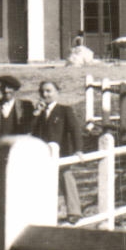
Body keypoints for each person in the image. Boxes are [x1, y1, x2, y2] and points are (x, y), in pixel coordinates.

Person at [30, 80, 86, 217]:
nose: (45, 94)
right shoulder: (38, 113)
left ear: (57, 92)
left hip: (61, 154)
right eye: (42, 91)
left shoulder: (64, 110)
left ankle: (74, 212)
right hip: (43, 154)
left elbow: (75, 130)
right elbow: (29, 130)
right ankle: (44, 213)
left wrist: (78, 149)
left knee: (66, 179)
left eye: (49, 91)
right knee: (42, 183)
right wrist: (36, 113)